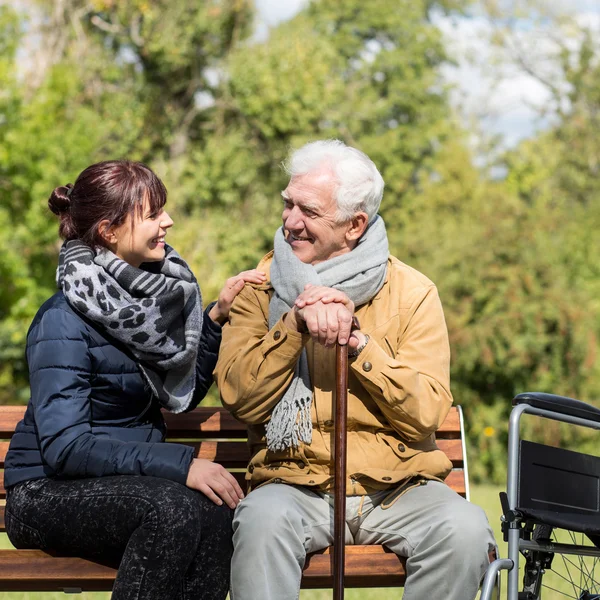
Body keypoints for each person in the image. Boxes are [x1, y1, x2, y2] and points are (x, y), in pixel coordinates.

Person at [215, 140, 497, 600]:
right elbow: (239, 398)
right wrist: (293, 325)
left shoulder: (413, 292)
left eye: (307, 210)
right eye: (287, 203)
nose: (289, 221)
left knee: (463, 530)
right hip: (294, 483)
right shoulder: (257, 289)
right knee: (262, 523)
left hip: (398, 488)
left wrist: (359, 346)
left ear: (354, 225)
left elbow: (426, 412)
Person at [3, 160, 266, 600]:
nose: (168, 221)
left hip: (125, 484)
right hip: (45, 493)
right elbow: (66, 448)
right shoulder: (61, 320)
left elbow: (178, 393)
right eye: (151, 214)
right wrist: (183, 466)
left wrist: (216, 317)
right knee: (170, 510)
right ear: (108, 231)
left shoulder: (145, 308)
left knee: (218, 517)